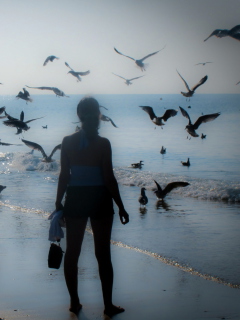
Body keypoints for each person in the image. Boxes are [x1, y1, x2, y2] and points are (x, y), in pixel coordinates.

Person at [55, 96, 129, 317]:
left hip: (76, 198)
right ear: (98, 115)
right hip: (99, 197)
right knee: (103, 254)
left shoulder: (67, 141)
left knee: (73, 253)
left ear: (78, 115)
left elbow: (64, 176)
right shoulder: (103, 144)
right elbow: (109, 179)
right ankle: (108, 305)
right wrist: (121, 206)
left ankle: (74, 302)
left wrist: (58, 203)